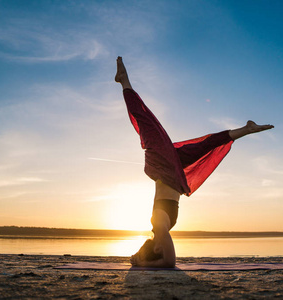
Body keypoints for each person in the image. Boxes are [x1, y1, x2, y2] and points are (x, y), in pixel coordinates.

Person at [115, 57, 274, 267]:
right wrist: (142, 264)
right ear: (154, 249)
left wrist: (139, 260)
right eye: (142, 250)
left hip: (170, 171)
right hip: (166, 171)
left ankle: (246, 129)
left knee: (204, 145)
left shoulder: (163, 224)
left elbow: (165, 257)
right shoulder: (159, 223)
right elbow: (170, 263)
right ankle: (125, 82)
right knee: (147, 125)